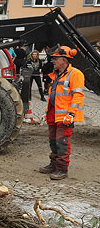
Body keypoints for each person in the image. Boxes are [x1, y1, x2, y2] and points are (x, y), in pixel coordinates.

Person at [38, 45, 85, 180]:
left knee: (61, 142)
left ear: (64, 60)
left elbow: (78, 96)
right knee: (53, 141)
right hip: (54, 112)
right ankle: (54, 165)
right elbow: (55, 95)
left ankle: (62, 169)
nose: (53, 61)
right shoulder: (56, 74)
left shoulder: (75, 74)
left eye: (55, 58)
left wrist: (71, 113)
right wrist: (47, 113)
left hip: (65, 115)